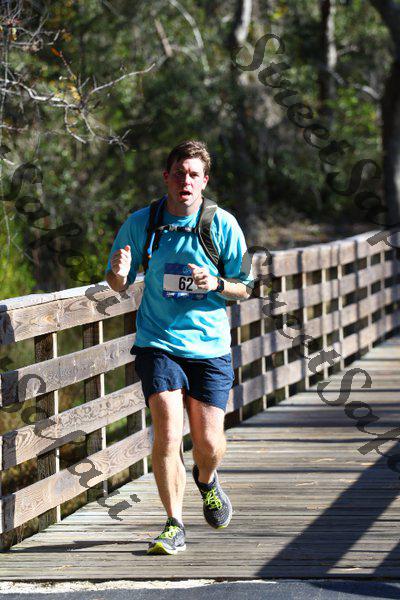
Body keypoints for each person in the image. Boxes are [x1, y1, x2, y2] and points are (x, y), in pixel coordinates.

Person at [105, 140, 253, 555]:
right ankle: (174, 524)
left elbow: (246, 286)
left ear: (204, 181)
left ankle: (207, 479)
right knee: (168, 432)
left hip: (209, 347)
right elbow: (118, 282)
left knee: (209, 444)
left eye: (193, 174)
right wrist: (117, 274)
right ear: (166, 177)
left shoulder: (223, 225)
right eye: (178, 173)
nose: (185, 181)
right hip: (158, 342)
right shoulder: (143, 222)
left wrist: (217, 283)